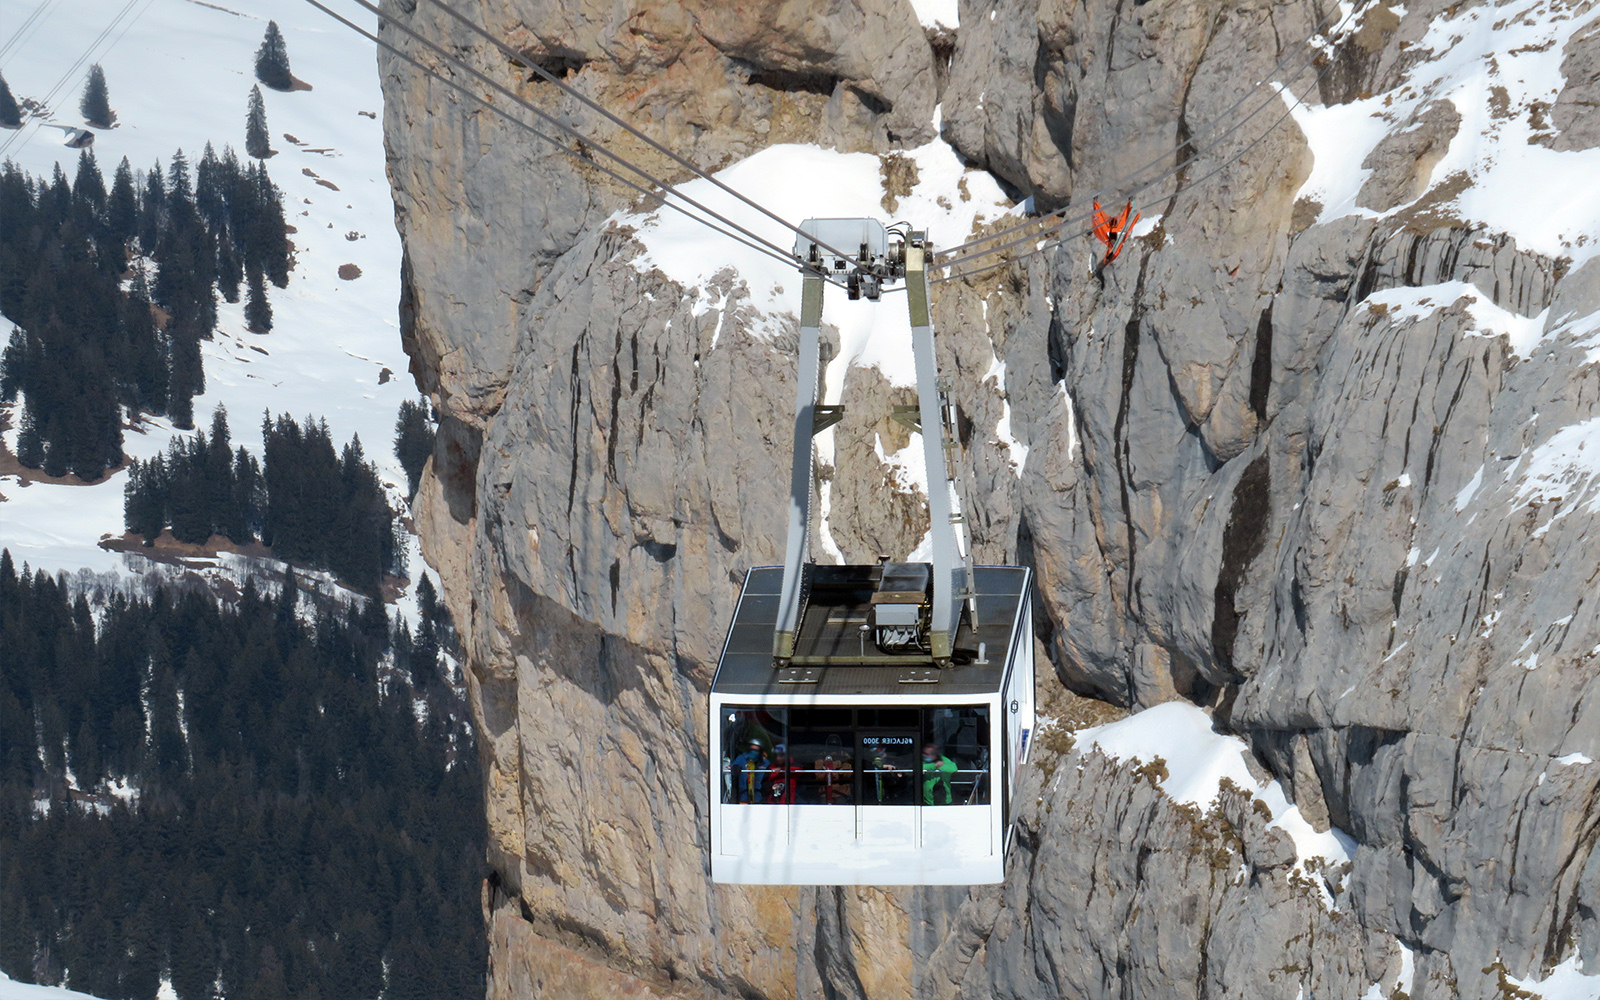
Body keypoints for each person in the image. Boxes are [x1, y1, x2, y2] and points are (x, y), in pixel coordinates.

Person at [1091, 199, 1140, 267]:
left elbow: (1099, 218)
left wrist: (1096, 204)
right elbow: (1117, 250)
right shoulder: (1111, 237)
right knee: (1119, 225)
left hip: (1104, 224)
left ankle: (1129, 204)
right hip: (1109, 224)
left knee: (1112, 226)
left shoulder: (1105, 235)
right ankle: (1129, 204)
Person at [729, 738, 769, 803]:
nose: (753, 752)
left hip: (759, 799)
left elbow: (770, 776)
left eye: (756, 750)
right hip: (743, 797)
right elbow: (734, 767)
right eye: (752, 749)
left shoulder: (765, 762)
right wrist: (735, 768)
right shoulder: (742, 758)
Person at [815, 737, 851, 804]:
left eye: (835, 747)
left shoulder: (844, 756)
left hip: (841, 792)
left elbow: (848, 773)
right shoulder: (821, 757)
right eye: (831, 747)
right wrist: (830, 773)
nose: (833, 749)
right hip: (825, 793)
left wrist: (836, 773)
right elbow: (818, 776)